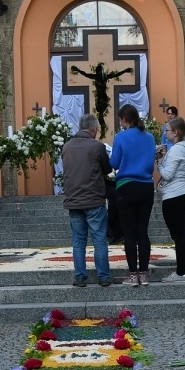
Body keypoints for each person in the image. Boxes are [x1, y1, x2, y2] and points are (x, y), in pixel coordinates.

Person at [60, 114, 113, 287]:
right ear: (94, 129)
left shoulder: (67, 147)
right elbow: (107, 169)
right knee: (99, 239)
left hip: (73, 200)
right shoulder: (97, 146)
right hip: (94, 200)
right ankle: (103, 277)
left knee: (78, 241)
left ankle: (80, 277)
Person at [110, 103, 156, 286]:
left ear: (124, 119)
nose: (121, 124)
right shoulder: (150, 137)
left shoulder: (121, 136)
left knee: (129, 233)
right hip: (146, 187)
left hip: (126, 186)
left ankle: (132, 276)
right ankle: (144, 275)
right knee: (142, 231)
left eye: (121, 120)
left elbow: (114, 163)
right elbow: (151, 162)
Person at [157, 116, 185, 282]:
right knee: (179, 235)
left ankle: (181, 273)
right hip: (179, 193)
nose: (165, 133)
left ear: (176, 133)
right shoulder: (184, 148)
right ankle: (181, 271)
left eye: (168, 130)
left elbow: (168, 174)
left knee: (178, 235)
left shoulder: (177, 149)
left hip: (174, 195)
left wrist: (159, 163)